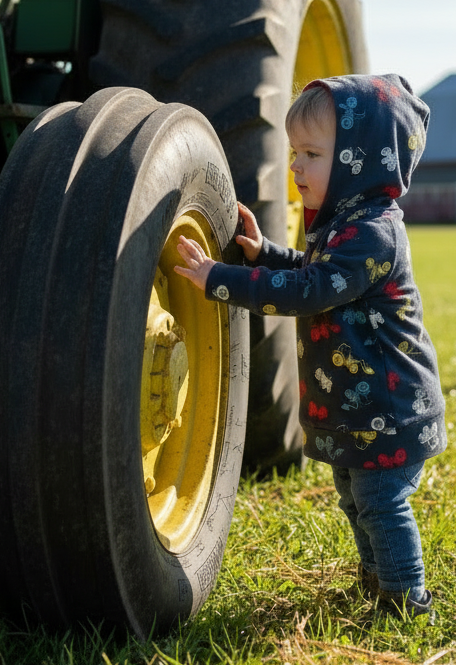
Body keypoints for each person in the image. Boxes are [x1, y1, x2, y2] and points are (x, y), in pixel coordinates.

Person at [175, 74, 447, 618]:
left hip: (388, 409)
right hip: (358, 408)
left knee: (381, 503)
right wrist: (263, 254)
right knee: (357, 497)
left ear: (361, 161)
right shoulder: (344, 225)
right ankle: (378, 578)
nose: (295, 166)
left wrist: (221, 277)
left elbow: (311, 291)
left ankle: (406, 599)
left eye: (312, 154)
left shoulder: (374, 232)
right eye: (294, 151)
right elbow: (308, 270)